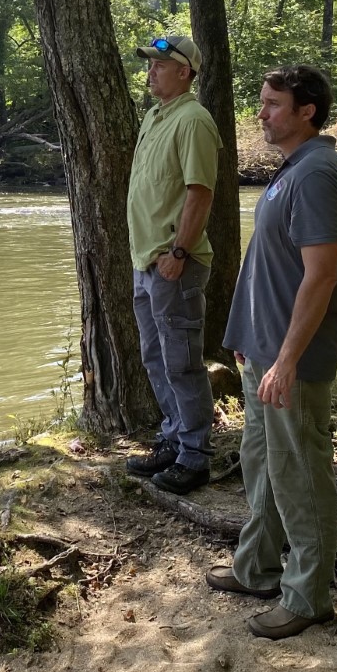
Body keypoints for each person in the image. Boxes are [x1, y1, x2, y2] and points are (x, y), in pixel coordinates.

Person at [206, 65, 337, 640]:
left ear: (306, 112)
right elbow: (273, 267)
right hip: (264, 352)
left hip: (293, 360)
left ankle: (307, 596)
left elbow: (321, 277)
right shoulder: (294, 169)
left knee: (300, 476)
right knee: (263, 465)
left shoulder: (317, 175)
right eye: (262, 102)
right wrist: (250, 342)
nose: (262, 113)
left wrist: (288, 358)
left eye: (273, 104)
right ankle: (258, 568)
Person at [124, 35, 223, 495]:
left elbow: (199, 192)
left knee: (182, 362)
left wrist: (179, 252)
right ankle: (173, 439)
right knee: (154, 356)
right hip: (145, 261)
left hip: (174, 263)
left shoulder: (194, 120)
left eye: (160, 65)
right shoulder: (154, 117)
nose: (151, 72)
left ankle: (195, 456)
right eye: (150, 65)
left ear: (185, 72)